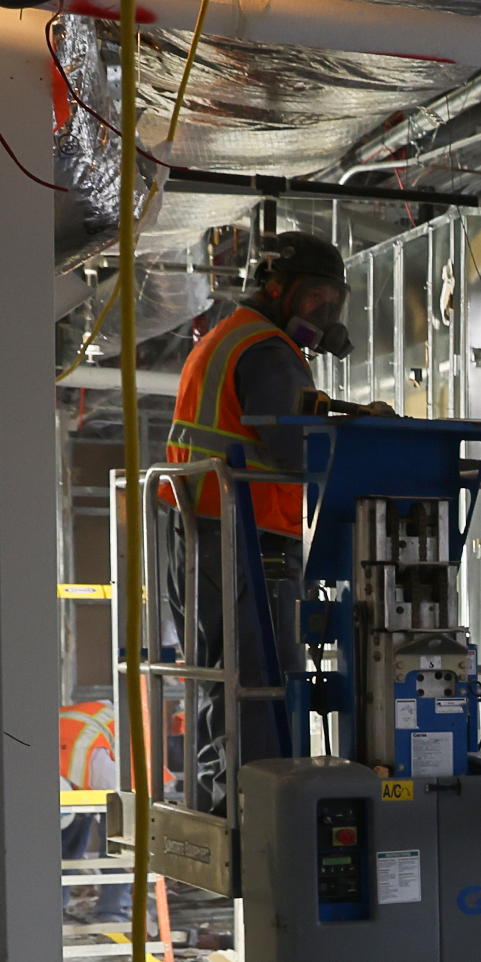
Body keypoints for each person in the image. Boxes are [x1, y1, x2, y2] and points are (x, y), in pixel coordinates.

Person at [162, 231, 352, 775]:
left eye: (332, 300)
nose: (326, 310)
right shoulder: (268, 351)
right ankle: (263, 814)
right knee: (264, 679)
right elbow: (296, 446)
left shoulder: (228, 335)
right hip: (250, 538)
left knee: (225, 678)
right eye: (315, 297)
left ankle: (227, 800)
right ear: (275, 288)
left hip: (205, 531)